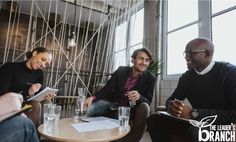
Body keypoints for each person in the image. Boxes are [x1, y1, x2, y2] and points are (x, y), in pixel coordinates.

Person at [147, 38, 236, 142]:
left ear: (207, 53)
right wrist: (173, 106)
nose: (186, 57)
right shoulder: (186, 77)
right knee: (154, 120)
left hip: (227, 127)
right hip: (197, 122)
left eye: (190, 53)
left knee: (197, 132)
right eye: (185, 53)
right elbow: (171, 99)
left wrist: (194, 113)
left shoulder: (230, 73)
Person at [85, 48, 156, 142]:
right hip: (111, 103)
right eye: (141, 58)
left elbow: (148, 100)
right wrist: (92, 97)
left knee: (115, 125)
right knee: (89, 108)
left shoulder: (150, 78)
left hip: (127, 110)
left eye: (147, 60)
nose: (144, 62)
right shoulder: (121, 71)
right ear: (133, 59)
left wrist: (139, 97)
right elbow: (107, 88)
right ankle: (77, 135)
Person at [0, 47, 54, 127]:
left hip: (25, 105)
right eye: (43, 59)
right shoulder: (10, 67)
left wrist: (46, 96)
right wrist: (28, 92)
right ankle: (32, 135)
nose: (43, 64)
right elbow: (2, 94)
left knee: (47, 103)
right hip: (9, 105)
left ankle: (46, 133)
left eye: (46, 64)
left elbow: (39, 95)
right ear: (35, 53)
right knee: (35, 105)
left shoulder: (39, 74)